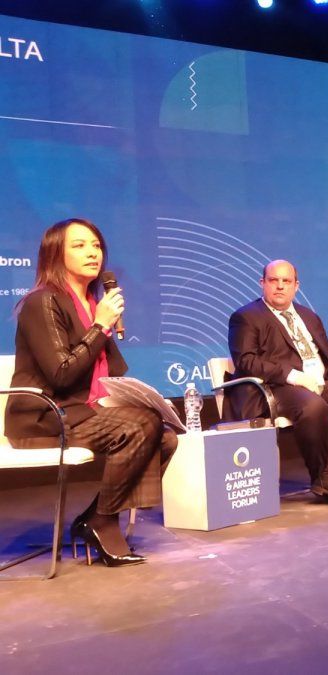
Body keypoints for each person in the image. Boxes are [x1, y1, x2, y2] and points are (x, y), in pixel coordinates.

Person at [6, 218, 177, 567]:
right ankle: (101, 522)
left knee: (166, 437)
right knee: (140, 424)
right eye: (80, 245)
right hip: (43, 417)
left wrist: (105, 328)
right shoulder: (43, 302)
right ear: (56, 253)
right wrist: (100, 325)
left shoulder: (90, 302)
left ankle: (99, 516)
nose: (92, 253)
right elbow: (62, 373)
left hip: (81, 411)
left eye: (96, 245)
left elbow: (109, 374)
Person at [228, 260, 328, 504]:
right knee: (313, 406)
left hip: (318, 381)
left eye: (286, 281)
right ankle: (320, 476)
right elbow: (246, 361)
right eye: (273, 280)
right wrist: (292, 375)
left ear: (296, 286)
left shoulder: (308, 316)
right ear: (262, 283)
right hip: (277, 386)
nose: (279, 286)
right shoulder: (246, 317)